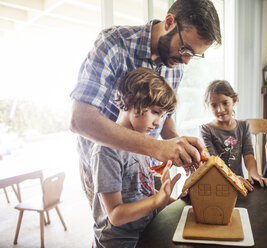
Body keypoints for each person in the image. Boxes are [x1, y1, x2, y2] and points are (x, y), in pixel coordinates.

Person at [69, 0, 221, 207]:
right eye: (185, 50)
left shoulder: (175, 65)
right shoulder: (113, 44)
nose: (186, 61)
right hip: (106, 168)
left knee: (151, 231)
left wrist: (179, 146)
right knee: (116, 233)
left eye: (194, 55)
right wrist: (157, 147)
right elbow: (80, 120)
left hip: (145, 168)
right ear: (169, 22)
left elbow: (164, 117)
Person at [91, 68, 181, 248]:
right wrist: (157, 200)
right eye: (155, 112)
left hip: (144, 233)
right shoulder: (106, 149)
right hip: (119, 242)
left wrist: (176, 202)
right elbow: (116, 215)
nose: (158, 122)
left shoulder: (142, 144)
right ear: (130, 100)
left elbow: (140, 196)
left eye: (162, 116)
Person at [199, 80, 267, 191]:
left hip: (239, 184)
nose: (220, 109)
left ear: (234, 100)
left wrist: (255, 174)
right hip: (216, 185)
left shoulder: (243, 126)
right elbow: (212, 162)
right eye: (214, 106)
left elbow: (248, 155)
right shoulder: (206, 129)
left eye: (225, 103)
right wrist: (232, 177)